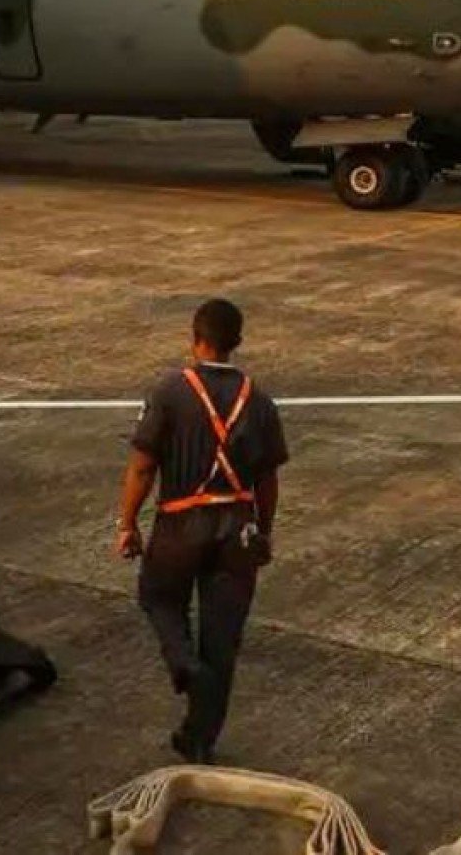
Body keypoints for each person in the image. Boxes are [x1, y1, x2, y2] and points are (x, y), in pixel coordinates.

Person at [116, 297, 287, 763]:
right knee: (222, 640)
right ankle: (199, 738)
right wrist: (263, 532)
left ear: (195, 338)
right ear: (236, 344)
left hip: (181, 526)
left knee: (159, 597)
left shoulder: (171, 391)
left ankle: (183, 663)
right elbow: (268, 480)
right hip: (238, 531)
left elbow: (143, 466)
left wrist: (127, 522)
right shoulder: (261, 400)